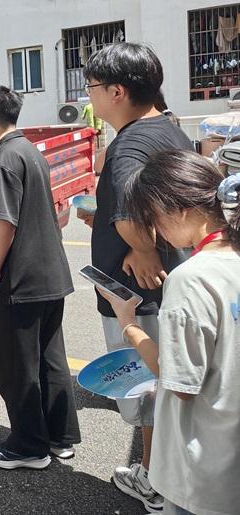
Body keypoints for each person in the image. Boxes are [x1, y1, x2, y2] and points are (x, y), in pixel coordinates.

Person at [83, 43, 193, 510]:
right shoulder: (171, 129)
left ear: (117, 91)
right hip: (174, 281)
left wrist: (143, 248)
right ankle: (160, 473)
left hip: (139, 292)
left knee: (147, 389)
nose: (89, 97)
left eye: (91, 87)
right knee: (168, 384)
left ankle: (155, 482)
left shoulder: (128, 144)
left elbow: (130, 214)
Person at [103, 151, 240, 515]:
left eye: (152, 218)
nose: (154, 232)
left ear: (178, 211)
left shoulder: (190, 280)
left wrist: (128, 324)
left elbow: (179, 382)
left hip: (202, 470)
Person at [0, 86, 81, 470]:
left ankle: (29, 447)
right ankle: (59, 437)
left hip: (22, 280)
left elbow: (6, 219)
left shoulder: (4, 157)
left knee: (14, 365)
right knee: (50, 359)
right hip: (50, 274)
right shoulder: (30, 150)